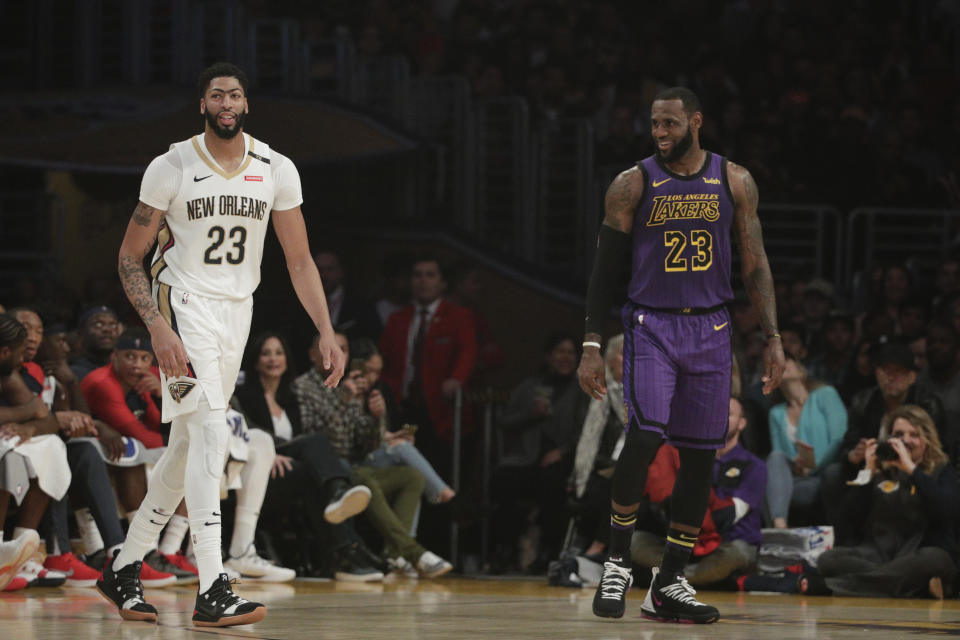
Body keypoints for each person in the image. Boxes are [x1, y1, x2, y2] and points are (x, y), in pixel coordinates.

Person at [98, 62, 345, 627]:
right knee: (210, 433)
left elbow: (300, 260)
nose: (226, 102)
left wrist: (324, 330)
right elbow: (128, 257)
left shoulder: (276, 169)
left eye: (234, 94)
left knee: (187, 444)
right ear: (203, 105)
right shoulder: (172, 165)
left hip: (236, 314)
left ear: (246, 104)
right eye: (216, 95)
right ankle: (214, 585)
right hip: (181, 308)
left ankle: (124, 566)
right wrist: (156, 326)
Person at [578, 87, 784, 624]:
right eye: (654, 125)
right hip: (652, 324)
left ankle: (668, 582)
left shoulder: (733, 180)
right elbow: (604, 273)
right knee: (645, 435)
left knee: (699, 456)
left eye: (670, 123)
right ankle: (619, 561)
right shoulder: (632, 183)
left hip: (713, 329)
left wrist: (774, 338)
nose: (660, 133)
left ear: (696, 122)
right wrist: (593, 344)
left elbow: (755, 263)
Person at [234, 332, 383, 582]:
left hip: (288, 467)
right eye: (266, 353)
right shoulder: (244, 396)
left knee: (312, 467)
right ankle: (347, 551)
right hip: (257, 469)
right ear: (256, 360)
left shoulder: (290, 397)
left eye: (279, 353)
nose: (273, 359)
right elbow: (244, 430)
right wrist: (269, 451)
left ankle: (343, 552)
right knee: (313, 458)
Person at [816, 405, 959, 598]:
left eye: (914, 434)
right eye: (899, 434)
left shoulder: (940, 470)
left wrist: (912, 470)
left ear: (926, 440)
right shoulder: (879, 471)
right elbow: (845, 524)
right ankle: (915, 587)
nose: (906, 441)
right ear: (889, 439)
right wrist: (868, 472)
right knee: (829, 559)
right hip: (876, 556)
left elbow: (946, 511)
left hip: (915, 555)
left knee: (936, 559)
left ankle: (833, 587)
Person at [630, 397, 765, 588]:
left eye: (728, 414)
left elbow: (728, 515)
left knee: (737, 553)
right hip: (686, 543)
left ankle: (673, 577)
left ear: (742, 423)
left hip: (728, 543)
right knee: (635, 541)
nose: (720, 418)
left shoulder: (754, 466)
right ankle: (690, 578)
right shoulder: (689, 455)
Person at [765, 355, 847, 528]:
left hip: (825, 477)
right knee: (775, 458)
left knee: (769, 492)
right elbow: (780, 456)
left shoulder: (825, 395)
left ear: (801, 371)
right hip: (796, 480)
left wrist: (815, 465)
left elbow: (839, 439)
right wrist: (797, 465)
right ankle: (780, 527)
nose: (780, 365)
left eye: (785, 362)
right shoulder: (776, 413)